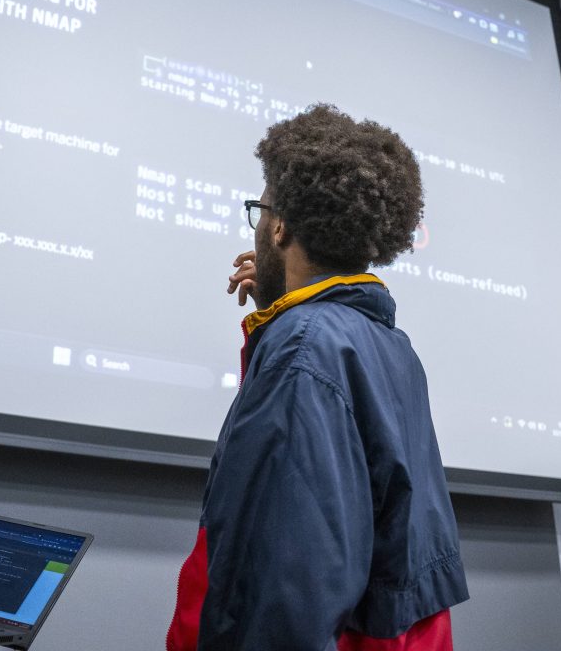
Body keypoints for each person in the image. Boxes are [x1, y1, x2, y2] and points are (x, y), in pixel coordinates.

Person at [167, 104, 469, 651]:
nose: (258, 224)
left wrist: (286, 330)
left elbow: (284, 589)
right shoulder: (387, 345)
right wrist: (278, 312)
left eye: (261, 209)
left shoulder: (304, 348)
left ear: (280, 225)